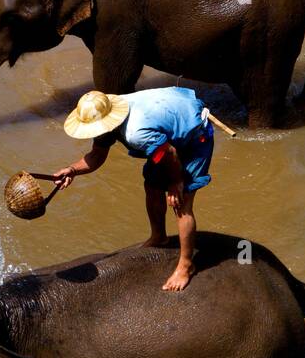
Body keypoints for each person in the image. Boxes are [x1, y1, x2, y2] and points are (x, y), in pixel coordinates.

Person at [53, 88, 216, 291]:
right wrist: (72, 170)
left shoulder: (136, 132)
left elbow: (170, 153)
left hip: (194, 136)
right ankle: (159, 237)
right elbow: (97, 155)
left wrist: (176, 183)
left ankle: (186, 265)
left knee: (180, 203)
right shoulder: (109, 114)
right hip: (167, 132)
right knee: (152, 185)